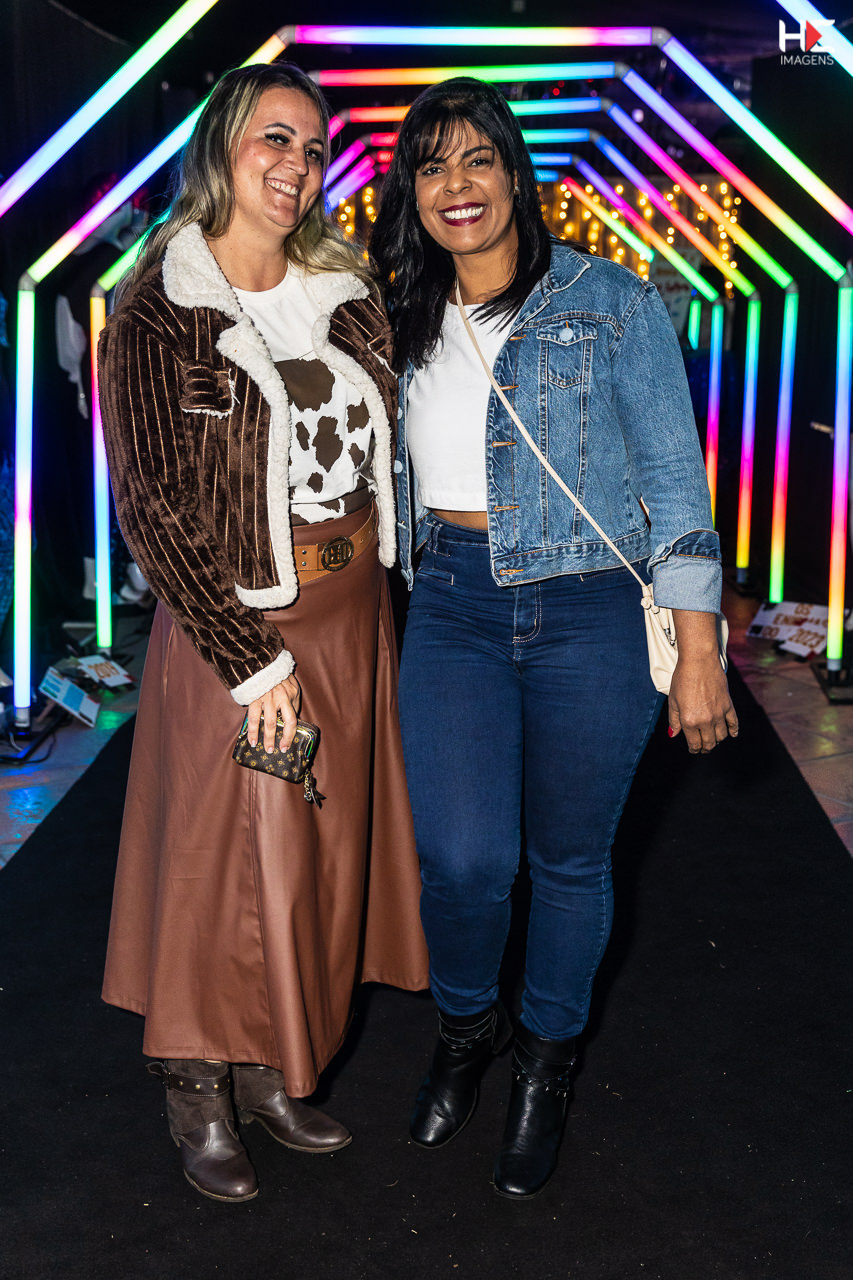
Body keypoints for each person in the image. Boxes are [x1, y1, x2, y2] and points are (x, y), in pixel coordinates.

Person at [370, 77, 738, 1200]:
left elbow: (674, 482)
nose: (456, 184)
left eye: (476, 158)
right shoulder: (395, 313)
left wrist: (701, 650)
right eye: (432, 165)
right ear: (412, 193)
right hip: (453, 603)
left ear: (513, 174)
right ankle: (465, 1029)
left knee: (569, 862)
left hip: (590, 609)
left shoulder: (610, 299)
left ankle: (546, 1062)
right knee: (464, 861)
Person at [98, 62, 428, 1203]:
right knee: (219, 858)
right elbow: (152, 504)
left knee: (317, 859)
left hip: (352, 615)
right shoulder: (161, 306)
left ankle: (272, 1064)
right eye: (272, 138)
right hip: (235, 621)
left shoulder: (346, 287)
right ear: (220, 148)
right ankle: (197, 1083)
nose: (297, 163)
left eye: (312, 145)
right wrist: (251, 658)